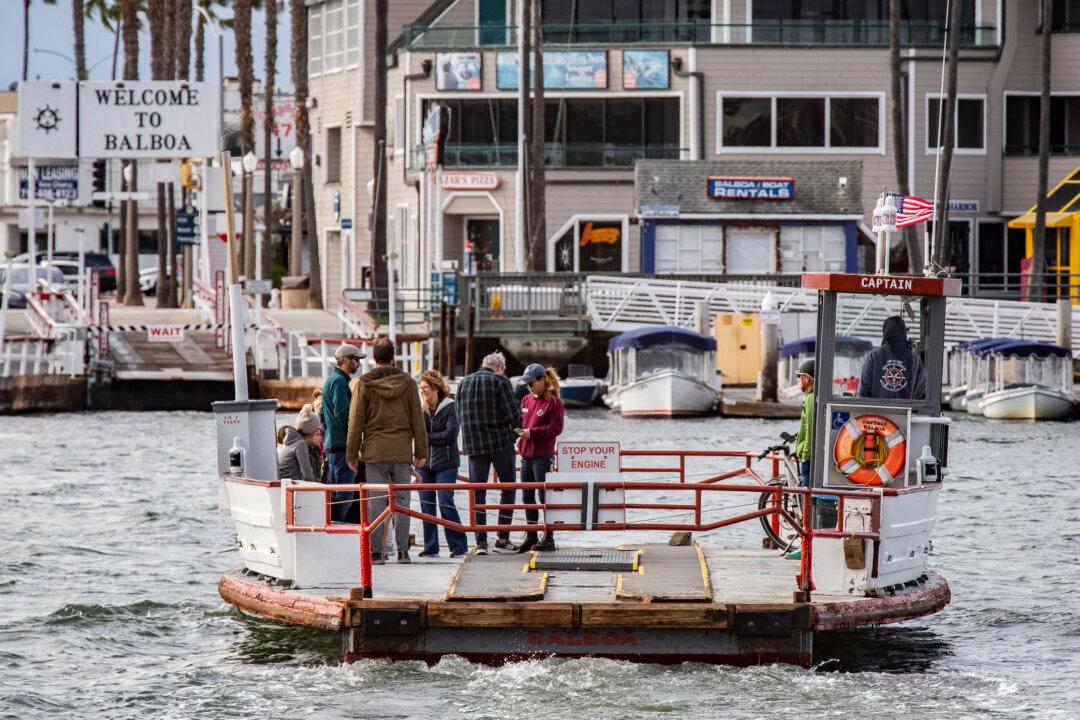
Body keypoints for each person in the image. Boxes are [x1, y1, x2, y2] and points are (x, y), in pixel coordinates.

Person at [346, 339, 428, 564]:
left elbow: (356, 422)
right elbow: (417, 420)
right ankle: (402, 552)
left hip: (374, 452)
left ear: (374, 358)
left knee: (376, 502)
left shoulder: (364, 383)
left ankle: (376, 552)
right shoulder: (408, 383)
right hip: (402, 452)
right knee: (402, 502)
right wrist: (421, 452)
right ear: (394, 357)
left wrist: (352, 455)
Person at [457, 351, 521, 554]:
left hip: (474, 445)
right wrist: (514, 435)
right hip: (499, 443)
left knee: (478, 493)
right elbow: (514, 416)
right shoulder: (500, 381)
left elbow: (459, 414)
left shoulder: (463, 383)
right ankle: (502, 539)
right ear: (500, 368)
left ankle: (481, 543)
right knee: (508, 488)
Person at [416, 370, 469, 559]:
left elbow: (451, 434)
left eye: (425, 388)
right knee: (426, 504)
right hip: (424, 463)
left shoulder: (450, 406)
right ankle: (431, 547)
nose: (422, 391)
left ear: (436, 388)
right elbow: (414, 432)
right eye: (421, 388)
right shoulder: (421, 408)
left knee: (446, 501)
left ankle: (459, 545)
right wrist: (420, 413)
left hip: (446, 462)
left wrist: (427, 438)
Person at [516, 363, 565, 553]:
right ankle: (531, 534)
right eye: (527, 384)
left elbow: (556, 428)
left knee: (544, 496)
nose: (529, 387)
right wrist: (516, 430)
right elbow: (521, 422)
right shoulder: (526, 400)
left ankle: (549, 536)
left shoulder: (554, 402)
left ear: (543, 380)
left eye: (531, 383)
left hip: (542, 456)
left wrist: (532, 432)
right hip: (525, 455)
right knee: (527, 496)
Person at [320, 343, 366, 522]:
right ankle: (339, 530)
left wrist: (331, 432)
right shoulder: (340, 381)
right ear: (346, 360)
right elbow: (343, 413)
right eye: (356, 360)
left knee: (336, 494)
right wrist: (355, 435)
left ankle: (334, 528)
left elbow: (322, 415)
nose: (358, 364)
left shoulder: (330, 380)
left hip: (332, 445)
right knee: (344, 498)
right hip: (341, 447)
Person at [858, 315, 927, 400]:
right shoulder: (915, 359)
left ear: (884, 333)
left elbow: (863, 393)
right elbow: (921, 394)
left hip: (877, 409)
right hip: (906, 408)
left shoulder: (873, 357)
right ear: (904, 334)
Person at [277, 404, 323, 481]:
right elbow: (308, 477)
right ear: (310, 433)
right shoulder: (300, 444)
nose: (320, 438)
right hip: (286, 485)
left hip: (287, 483)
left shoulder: (295, 441)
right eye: (318, 434)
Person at [793, 360, 815, 488]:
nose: (798, 380)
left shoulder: (810, 399)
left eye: (799, 376)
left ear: (807, 379)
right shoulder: (812, 397)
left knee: (806, 493)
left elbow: (810, 429)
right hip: (811, 454)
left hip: (809, 457)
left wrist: (805, 454)